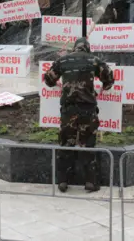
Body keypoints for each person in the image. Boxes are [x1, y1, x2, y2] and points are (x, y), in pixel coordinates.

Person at [44, 38, 114, 193]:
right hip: (87, 109)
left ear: (74, 48)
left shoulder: (63, 60)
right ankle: (90, 181)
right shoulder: (93, 60)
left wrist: (58, 84)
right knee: (88, 144)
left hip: (68, 109)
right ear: (87, 49)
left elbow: (48, 79)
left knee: (66, 144)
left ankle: (62, 181)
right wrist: (106, 86)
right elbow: (108, 76)